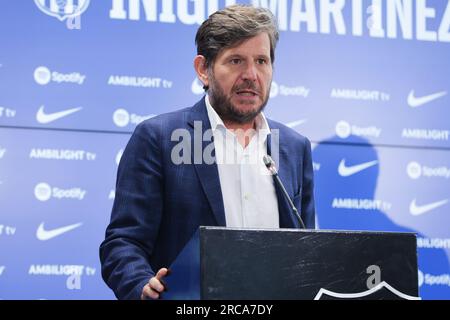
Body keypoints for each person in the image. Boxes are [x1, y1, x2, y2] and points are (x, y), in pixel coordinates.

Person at [99, 4, 315, 300]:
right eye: (236, 60)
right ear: (204, 69)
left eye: (262, 61)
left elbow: (308, 249)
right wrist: (141, 284)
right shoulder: (160, 138)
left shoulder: (293, 147)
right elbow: (123, 243)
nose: (251, 75)